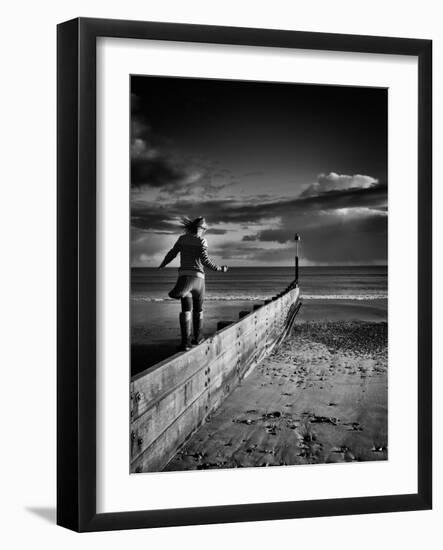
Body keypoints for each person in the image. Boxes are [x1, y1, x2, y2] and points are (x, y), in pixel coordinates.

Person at [159, 217, 228, 351]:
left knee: (186, 309)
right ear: (200, 229)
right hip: (199, 280)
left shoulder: (182, 239)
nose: (204, 231)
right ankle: (198, 338)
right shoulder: (202, 241)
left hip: (184, 278)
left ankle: (185, 343)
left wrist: (163, 264)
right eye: (204, 229)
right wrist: (220, 269)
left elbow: (172, 254)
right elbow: (206, 261)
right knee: (198, 309)